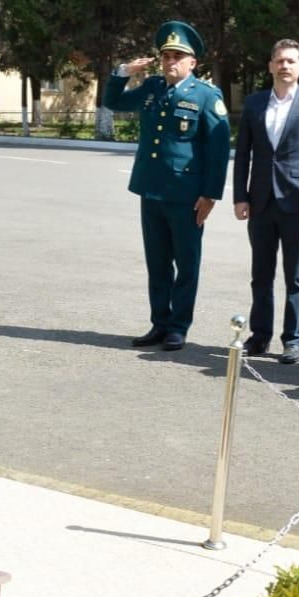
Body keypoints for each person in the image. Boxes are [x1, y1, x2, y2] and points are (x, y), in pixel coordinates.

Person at [104, 20, 232, 350]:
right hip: (152, 190)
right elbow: (113, 102)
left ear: (193, 63)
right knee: (157, 262)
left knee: (186, 263)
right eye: (166, 56)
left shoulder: (206, 96)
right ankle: (159, 323)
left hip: (187, 196)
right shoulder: (152, 88)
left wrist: (210, 195)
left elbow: (217, 151)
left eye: (178, 56)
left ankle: (178, 326)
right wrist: (123, 71)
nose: (170, 62)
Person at [231, 39, 299, 364]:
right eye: (279, 61)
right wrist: (240, 196)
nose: (284, 66)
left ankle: (293, 340)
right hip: (259, 201)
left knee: (295, 276)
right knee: (261, 274)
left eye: (291, 61)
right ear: (270, 66)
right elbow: (243, 152)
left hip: (297, 202)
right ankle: (260, 337)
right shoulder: (255, 103)